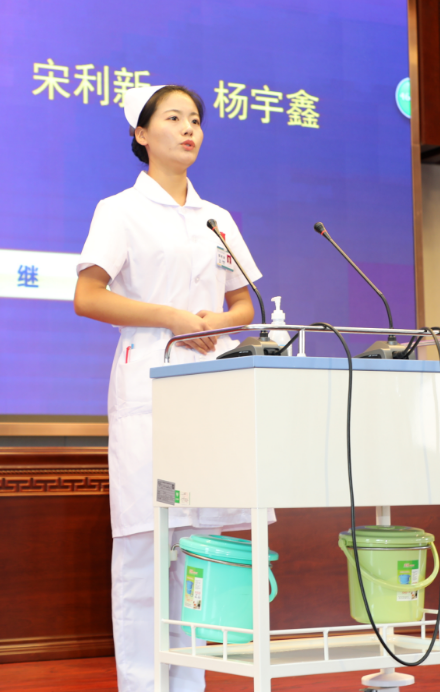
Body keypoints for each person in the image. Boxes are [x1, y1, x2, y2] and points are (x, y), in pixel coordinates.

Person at [74, 84, 270, 692]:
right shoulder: (119, 210)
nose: (189, 129)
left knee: (199, 550)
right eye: (174, 118)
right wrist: (172, 317)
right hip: (149, 386)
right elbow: (88, 296)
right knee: (144, 550)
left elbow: (245, 304)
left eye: (196, 120)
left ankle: (190, 685)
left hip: (208, 387)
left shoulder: (217, 218)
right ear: (141, 134)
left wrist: (215, 320)